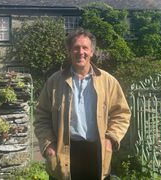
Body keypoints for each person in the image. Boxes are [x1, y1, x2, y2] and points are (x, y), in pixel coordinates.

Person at [34, 28, 131, 180]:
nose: (81, 52)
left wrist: (111, 139)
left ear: (92, 52)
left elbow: (122, 114)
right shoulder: (54, 81)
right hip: (64, 152)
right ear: (70, 51)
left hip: (97, 152)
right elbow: (41, 115)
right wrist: (49, 144)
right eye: (76, 48)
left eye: (85, 48)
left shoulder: (108, 81)